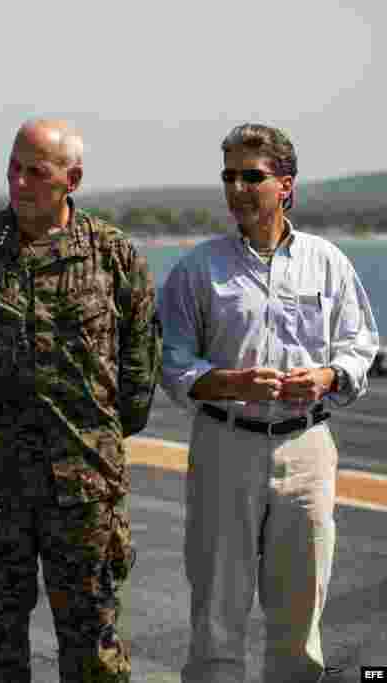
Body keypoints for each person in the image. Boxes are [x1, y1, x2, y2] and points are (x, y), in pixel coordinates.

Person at [0, 118, 161, 683]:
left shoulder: (113, 256)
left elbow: (137, 383)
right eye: (13, 168)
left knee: (93, 657)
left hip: (84, 496)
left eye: (35, 172)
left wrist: (86, 446)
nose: (19, 182)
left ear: (71, 180)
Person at [158, 123, 378, 683]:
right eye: (228, 176)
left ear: (286, 185)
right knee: (217, 616)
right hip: (224, 448)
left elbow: (360, 346)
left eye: (251, 176)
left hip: (307, 451)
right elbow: (173, 364)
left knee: (301, 619)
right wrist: (231, 382)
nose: (237, 188)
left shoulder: (328, 262)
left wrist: (327, 376)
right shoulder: (197, 270)